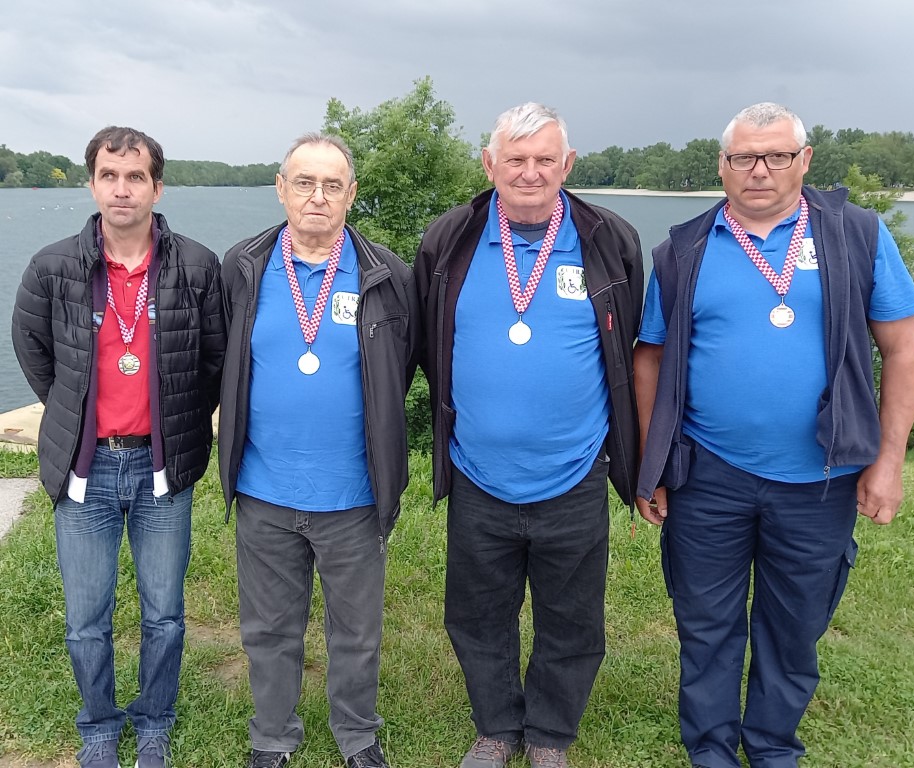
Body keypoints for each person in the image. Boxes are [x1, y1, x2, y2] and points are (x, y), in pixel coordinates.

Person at [634, 102, 914, 768]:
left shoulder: (857, 236)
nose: (759, 170)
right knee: (706, 624)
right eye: (743, 158)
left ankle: (770, 746)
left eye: (776, 156)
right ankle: (710, 748)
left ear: (805, 160)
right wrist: (652, 462)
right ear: (722, 166)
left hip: (821, 478)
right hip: (708, 473)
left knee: (793, 627)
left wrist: (889, 461)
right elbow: (648, 354)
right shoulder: (684, 248)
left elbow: (904, 350)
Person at [414, 103, 644, 768]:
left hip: (575, 471)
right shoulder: (449, 239)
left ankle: (548, 735)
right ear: (489, 165)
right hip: (478, 473)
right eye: (515, 159)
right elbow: (430, 342)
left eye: (545, 159)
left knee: (571, 618)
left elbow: (631, 348)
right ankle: (495, 726)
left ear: (567, 166)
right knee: (478, 614)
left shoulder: (611, 239)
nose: (530, 172)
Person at [11, 126, 226, 768]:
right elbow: (34, 349)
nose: (122, 189)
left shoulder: (195, 265)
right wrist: (74, 413)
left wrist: (180, 419)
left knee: (164, 614)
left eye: (136, 177)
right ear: (93, 183)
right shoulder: (53, 266)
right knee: (85, 618)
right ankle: (99, 726)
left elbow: (212, 359)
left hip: (163, 468)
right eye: (110, 175)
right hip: (86, 469)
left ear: (158, 187)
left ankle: (154, 720)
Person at [218, 133, 419, 768]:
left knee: (355, 633)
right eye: (304, 182)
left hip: (354, 493)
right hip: (264, 489)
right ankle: (272, 737)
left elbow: (402, 363)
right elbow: (217, 357)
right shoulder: (241, 268)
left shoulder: (387, 274)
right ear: (281, 189)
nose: (318, 197)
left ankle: (358, 736)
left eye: (333, 185)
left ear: (351, 194)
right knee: (269, 629)